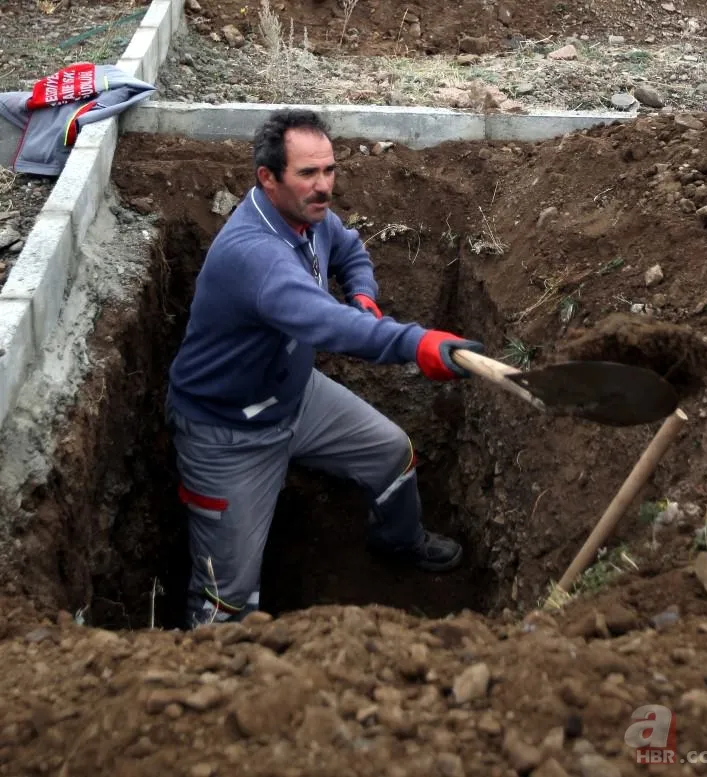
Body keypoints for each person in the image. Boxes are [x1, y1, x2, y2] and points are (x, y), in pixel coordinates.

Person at [166, 108, 484, 628]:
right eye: (308, 174)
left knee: (392, 454)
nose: (324, 187)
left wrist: (363, 294)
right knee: (228, 597)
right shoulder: (255, 255)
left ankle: (399, 542)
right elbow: (328, 325)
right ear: (267, 178)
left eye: (330, 170)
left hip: (296, 396)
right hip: (228, 433)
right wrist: (417, 343)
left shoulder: (308, 217)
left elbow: (347, 246)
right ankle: (209, 683)